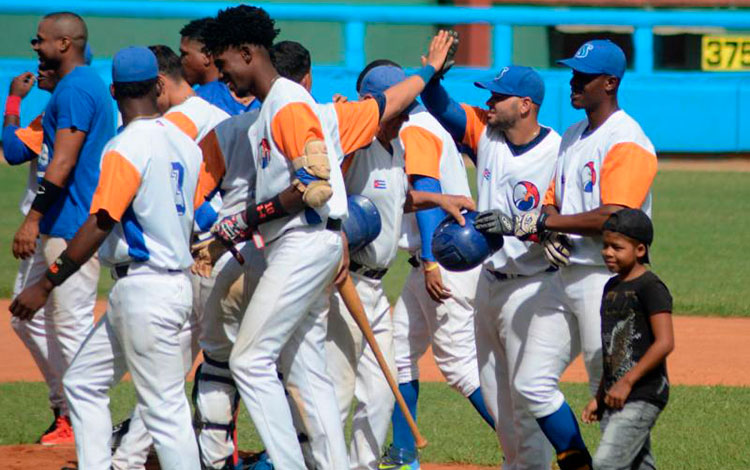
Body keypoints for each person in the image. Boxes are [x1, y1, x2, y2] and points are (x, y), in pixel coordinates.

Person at [205, 8, 454, 468]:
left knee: (249, 362)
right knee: (306, 369)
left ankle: (289, 464)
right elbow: (385, 104)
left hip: (302, 242)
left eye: (224, 64)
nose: (222, 76)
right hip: (307, 244)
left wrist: (245, 220)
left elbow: (312, 183)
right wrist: (427, 72)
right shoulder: (297, 110)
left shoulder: (289, 104)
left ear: (246, 53)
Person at [271, 40, 475, 470]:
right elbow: (330, 194)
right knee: (338, 389)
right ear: (374, 106)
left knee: (383, 389)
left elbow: (393, 200)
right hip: (344, 284)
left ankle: (362, 464)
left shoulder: (398, 144)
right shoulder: (354, 145)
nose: (405, 117)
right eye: (398, 110)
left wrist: (441, 200)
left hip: (377, 287)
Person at [11, 46, 204, 470]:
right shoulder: (186, 145)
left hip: (146, 290)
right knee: (82, 383)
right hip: (162, 285)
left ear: (114, 91)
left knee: (165, 410)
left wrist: (45, 284)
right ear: (158, 85)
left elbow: (100, 222)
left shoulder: (123, 147)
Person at [480, 40, 659, 469]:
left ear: (610, 82)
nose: (572, 82)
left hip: (607, 282)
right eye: (573, 72)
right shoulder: (575, 136)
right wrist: (549, 224)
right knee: (530, 383)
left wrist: (540, 225)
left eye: (583, 76)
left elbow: (615, 216)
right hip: (564, 278)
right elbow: (553, 200)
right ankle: (577, 462)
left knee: (612, 396)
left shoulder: (628, 139)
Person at [421, 63, 560, 469]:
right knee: (496, 391)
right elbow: (438, 105)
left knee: (526, 394)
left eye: (498, 96)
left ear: (525, 105)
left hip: (532, 287)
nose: (489, 102)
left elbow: (563, 217)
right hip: (488, 282)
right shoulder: (486, 133)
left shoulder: (557, 152)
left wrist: (549, 233)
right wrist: (433, 74)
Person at [109, 44, 230, 470]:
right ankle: (133, 452)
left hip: (197, 256)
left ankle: (140, 453)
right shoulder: (218, 112)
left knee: (184, 367)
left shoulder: (171, 125)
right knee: (189, 366)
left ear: (158, 84)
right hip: (228, 250)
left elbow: (184, 202)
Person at [371, 60, 494, 469]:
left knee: (460, 368)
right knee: (400, 352)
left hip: (446, 261)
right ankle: (404, 454)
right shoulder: (426, 126)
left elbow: (427, 189)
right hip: (436, 259)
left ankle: (528, 447)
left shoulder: (415, 130)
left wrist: (429, 262)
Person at [10, 12, 114, 446]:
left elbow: (64, 162)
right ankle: (67, 409)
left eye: (41, 40)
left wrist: (32, 217)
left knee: (69, 325)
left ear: (65, 44)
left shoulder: (77, 89)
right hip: (58, 222)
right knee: (24, 317)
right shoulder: (72, 88)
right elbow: (16, 149)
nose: (35, 47)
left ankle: (91, 423)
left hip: (71, 224)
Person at [581, 208, 674, 470]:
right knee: (639, 465)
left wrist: (626, 382)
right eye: (605, 245)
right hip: (615, 395)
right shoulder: (611, 287)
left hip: (643, 392)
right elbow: (613, 351)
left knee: (605, 463)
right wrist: (600, 396)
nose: (607, 252)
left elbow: (665, 342)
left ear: (640, 250)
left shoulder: (650, 287)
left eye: (617, 247)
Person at [179, 17, 260, 115]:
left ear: (206, 55)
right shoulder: (260, 96)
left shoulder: (198, 100)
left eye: (184, 54)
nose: (181, 61)